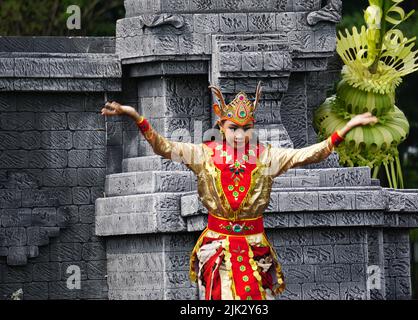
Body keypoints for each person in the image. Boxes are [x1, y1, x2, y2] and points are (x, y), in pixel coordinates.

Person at [100, 82, 378, 300]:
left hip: (255, 249)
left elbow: (308, 155)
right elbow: (164, 147)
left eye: (246, 129)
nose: (239, 135)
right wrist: (137, 118)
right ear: (221, 127)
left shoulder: (267, 156)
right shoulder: (203, 155)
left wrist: (344, 129)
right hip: (217, 249)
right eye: (233, 128)